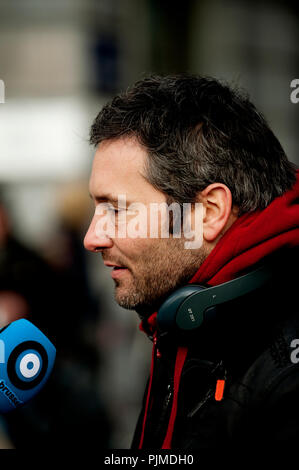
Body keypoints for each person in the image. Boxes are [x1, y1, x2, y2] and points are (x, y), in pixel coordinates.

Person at [84, 75, 299, 455]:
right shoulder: (185, 310)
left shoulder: (285, 375)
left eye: (116, 210)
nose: (92, 237)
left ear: (208, 212)